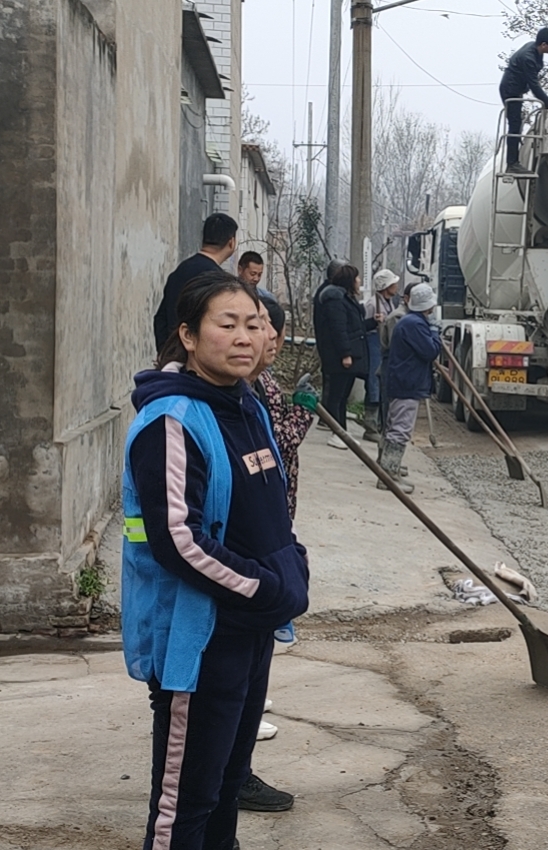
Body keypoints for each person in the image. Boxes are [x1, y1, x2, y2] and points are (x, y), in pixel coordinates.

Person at [122, 275, 310, 849]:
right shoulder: (172, 420)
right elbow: (179, 539)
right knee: (186, 803)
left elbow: (270, 509)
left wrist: (292, 564)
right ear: (188, 334)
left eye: (254, 325)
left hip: (249, 630)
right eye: (226, 324)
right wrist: (264, 589)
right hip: (199, 638)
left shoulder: (245, 403)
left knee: (229, 785)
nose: (244, 337)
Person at [237, 291, 318, 814]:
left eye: (264, 326)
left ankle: (235, 770)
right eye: (250, 324)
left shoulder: (259, 384)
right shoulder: (238, 393)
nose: (261, 336)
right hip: (252, 559)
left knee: (254, 668)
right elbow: (280, 442)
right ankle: (235, 774)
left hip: (273, 539)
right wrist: (303, 414)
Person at [377, 284, 441, 494]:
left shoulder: (409, 321)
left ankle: (388, 470)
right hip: (408, 383)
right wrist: (434, 332)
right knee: (400, 429)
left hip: (403, 381)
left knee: (395, 425)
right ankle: (389, 474)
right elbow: (430, 351)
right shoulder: (415, 324)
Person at [153, 213, 240, 354]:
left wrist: (166, 355)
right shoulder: (219, 282)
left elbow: (160, 319)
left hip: (173, 358)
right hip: (200, 362)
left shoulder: (180, 271)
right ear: (231, 242)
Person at [313, 261, 368, 449]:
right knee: (337, 395)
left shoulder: (345, 298)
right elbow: (339, 329)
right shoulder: (335, 300)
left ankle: (342, 431)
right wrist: (345, 353)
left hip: (348, 354)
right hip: (339, 357)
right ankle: (337, 433)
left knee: (343, 396)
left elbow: (354, 327)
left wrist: (372, 323)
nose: (359, 281)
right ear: (349, 280)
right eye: (357, 278)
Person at [500, 27, 548, 173]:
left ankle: (514, 160)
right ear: (544, 44)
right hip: (510, 89)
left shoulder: (535, 51)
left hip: (516, 89)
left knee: (517, 123)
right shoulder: (528, 58)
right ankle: (512, 164)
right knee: (514, 124)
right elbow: (534, 85)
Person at [360, 269, 403, 442]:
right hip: (374, 348)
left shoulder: (389, 303)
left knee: (380, 385)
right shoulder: (372, 305)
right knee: (373, 385)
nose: (396, 286)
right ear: (385, 286)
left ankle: (378, 424)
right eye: (393, 283)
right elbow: (364, 327)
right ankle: (370, 426)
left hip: (383, 349)